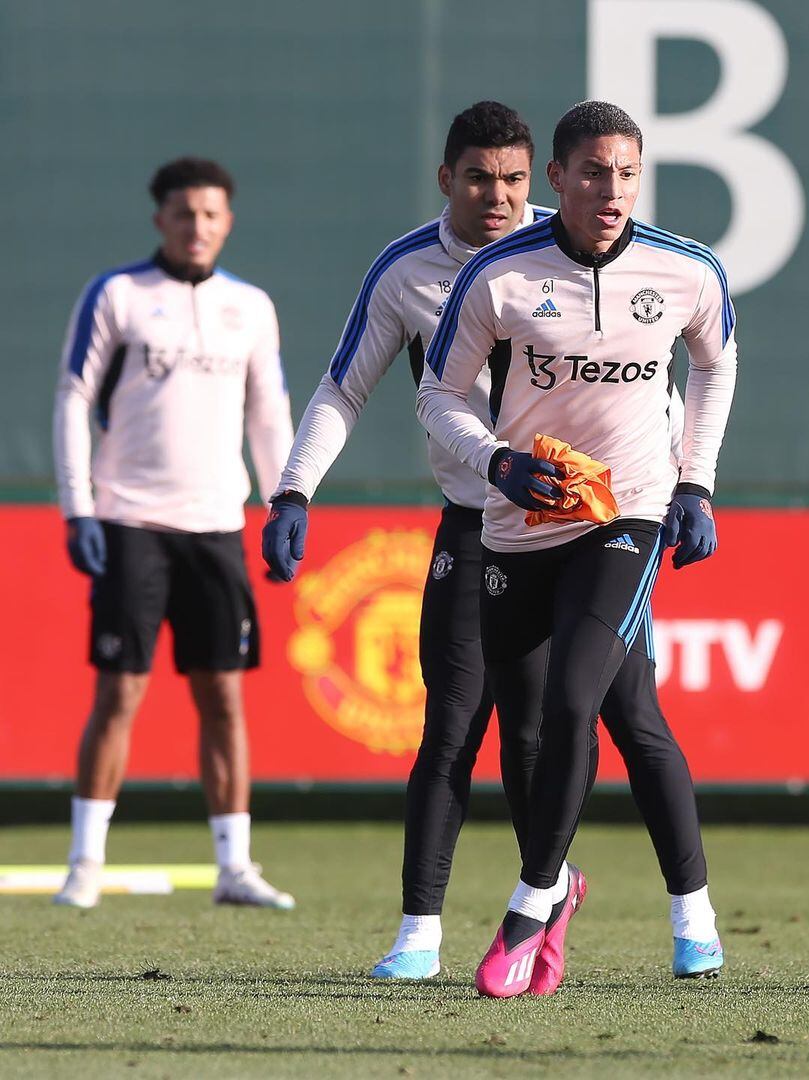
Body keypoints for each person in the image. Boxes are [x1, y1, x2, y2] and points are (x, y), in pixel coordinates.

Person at [263, 102, 717, 991]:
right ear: (447, 181)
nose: (500, 197)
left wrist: (682, 481)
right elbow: (344, 387)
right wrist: (293, 488)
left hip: (598, 526)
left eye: (514, 178)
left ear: (539, 179)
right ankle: (421, 933)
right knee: (456, 723)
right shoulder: (408, 271)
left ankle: (653, 910)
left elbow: (653, 370)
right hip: (481, 523)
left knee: (620, 717)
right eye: (480, 178)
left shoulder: (584, 246)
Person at [417, 100, 738, 997]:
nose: (613, 190)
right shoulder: (498, 276)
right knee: (602, 723)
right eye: (595, 172)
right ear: (555, 180)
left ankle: (530, 901)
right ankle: (688, 912)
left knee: (573, 700)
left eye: (628, 173)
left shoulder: (685, 271)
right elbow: (439, 394)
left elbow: (715, 363)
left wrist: (695, 481)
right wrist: (498, 463)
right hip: (519, 526)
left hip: (624, 519)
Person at [52, 156, 296, 910]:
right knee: (120, 690)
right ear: (160, 217)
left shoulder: (251, 307)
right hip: (132, 521)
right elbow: (72, 399)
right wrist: (78, 507)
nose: (198, 227)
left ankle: (235, 867)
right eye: (185, 214)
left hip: (217, 525)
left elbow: (269, 413)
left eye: (212, 215)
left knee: (224, 694)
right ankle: (86, 863)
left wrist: (287, 501)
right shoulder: (119, 295)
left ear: (228, 221)